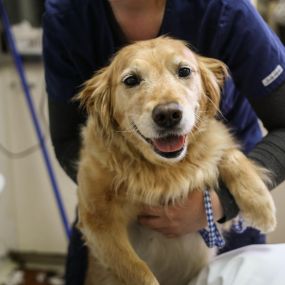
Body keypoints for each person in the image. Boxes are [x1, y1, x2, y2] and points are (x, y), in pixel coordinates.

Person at [42, 0, 285, 284]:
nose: (167, 109)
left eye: (183, 72)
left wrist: (218, 204)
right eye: (132, 80)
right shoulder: (67, 16)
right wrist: (118, 193)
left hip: (225, 207)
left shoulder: (224, 10)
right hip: (119, 224)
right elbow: (67, 139)